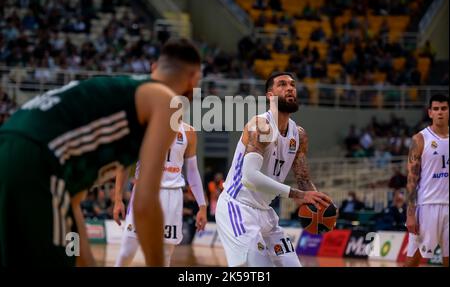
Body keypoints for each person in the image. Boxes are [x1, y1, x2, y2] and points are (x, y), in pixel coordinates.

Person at [0, 38, 202, 266]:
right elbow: (145, 202)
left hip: (11, 145)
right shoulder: (167, 101)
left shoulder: (116, 97)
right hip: (37, 159)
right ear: (194, 78)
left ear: (154, 68)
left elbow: (73, 204)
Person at [215, 72, 332, 267]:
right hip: (237, 207)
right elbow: (250, 176)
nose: (290, 88)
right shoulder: (261, 126)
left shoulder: (299, 134)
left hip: (266, 212)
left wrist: (317, 203)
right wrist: (297, 194)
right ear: (270, 95)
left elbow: (303, 179)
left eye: (293, 85)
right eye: (282, 84)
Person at [113, 121, 207, 267]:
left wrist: (202, 206)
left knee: (164, 256)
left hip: (172, 196)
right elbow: (124, 165)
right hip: (145, 192)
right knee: (127, 251)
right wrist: (118, 199)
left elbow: (193, 172)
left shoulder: (189, 132)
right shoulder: (143, 126)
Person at [405, 94, 449, 267]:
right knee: (412, 261)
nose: (440, 113)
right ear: (430, 112)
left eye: (444, 108)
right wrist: (410, 214)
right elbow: (411, 180)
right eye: (436, 109)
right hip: (427, 206)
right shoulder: (420, 139)